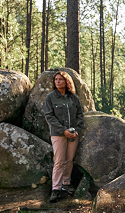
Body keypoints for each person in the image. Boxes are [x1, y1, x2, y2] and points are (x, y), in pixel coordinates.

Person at [44, 71, 84, 203]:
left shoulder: (74, 98)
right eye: (56, 79)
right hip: (58, 135)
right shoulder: (51, 97)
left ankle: (66, 185)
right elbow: (49, 116)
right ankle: (56, 189)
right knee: (59, 161)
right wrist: (63, 131)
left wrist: (76, 130)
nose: (57, 81)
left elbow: (80, 115)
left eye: (60, 79)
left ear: (66, 81)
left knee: (69, 160)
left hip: (73, 135)